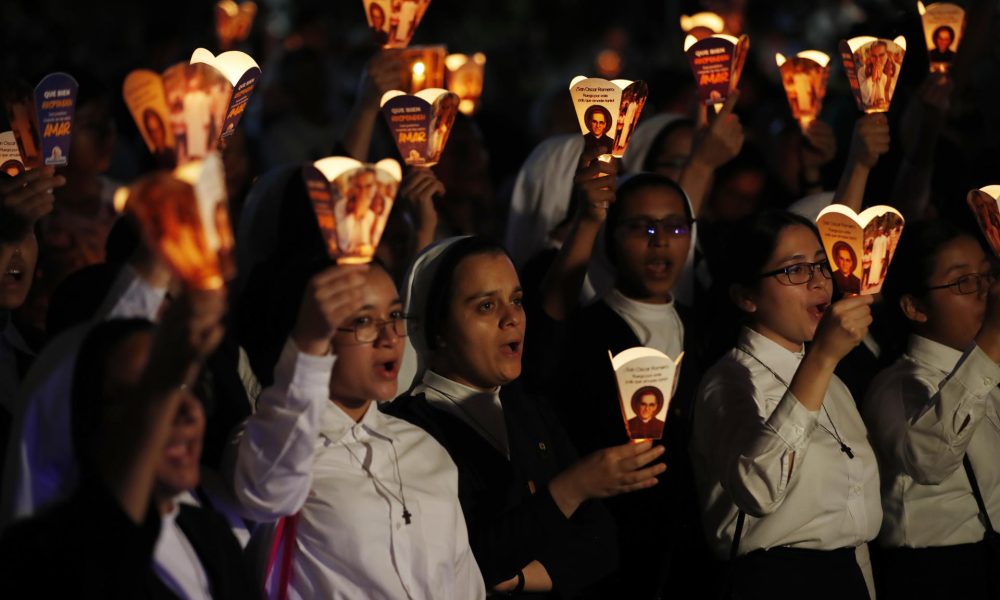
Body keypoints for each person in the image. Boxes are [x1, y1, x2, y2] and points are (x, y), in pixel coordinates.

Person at [385, 236, 666, 597]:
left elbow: (602, 545)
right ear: (437, 328)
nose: (511, 318)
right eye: (486, 306)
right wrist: (571, 490)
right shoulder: (411, 428)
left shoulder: (527, 406)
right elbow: (465, 562)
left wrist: (522, 577)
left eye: (516, 300)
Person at [233, 260, 484, 598]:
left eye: (395, 316)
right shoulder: (271, 444)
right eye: (363, 321)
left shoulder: (425, 449)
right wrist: (306, 350)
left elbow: (466, 586)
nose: (390, 337)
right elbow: (266, 493)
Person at [0, 288, 257, 598]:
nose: (188, 412)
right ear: (87, 419)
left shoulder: (210, 531)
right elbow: (110, 563)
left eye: (185, 387)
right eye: (151, 394)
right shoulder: (43, 555)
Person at [691, 210, 881, 599]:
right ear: (746, 297)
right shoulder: (729, 381)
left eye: (820, 264)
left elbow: (852, 528)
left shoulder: (833, 380)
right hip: (775, 581)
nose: (818, 280)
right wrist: (823, 358)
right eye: (794, 270)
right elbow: (758, 491)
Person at [864, 221, 1000, 599]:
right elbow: (930, 461)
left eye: (987, 275)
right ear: (914, 306)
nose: (985, 292)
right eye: (963, 283)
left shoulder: (988, 372)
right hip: (935, 573)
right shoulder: (896, 384)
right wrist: (992, 338)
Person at [857, 41, 898, 111]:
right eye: (874, 56)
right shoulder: (862, 71)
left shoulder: (896, 69)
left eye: (881, 55)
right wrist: (872, 79)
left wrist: (882, 76)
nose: (877, 60)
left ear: (887, 54)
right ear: (870, 55)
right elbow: (860, 96)